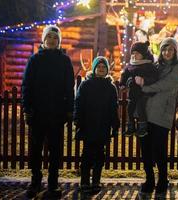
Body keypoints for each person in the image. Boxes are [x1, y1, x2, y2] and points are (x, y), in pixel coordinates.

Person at [22, 25, 75, 198]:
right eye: (49, 37)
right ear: (43, 40)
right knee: (36, 150)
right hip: (38, 113)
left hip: (57, 114)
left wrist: (69, 110)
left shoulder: (64, 61)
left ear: (58, 41)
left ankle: (53, 183)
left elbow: (69, 87)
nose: (52, 40)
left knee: (55, 150)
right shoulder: (35, 60)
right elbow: (27, 86)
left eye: (55, 37)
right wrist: (27, 109)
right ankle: (35, 182)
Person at [135, 37, 178, 195]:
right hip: (146, 112)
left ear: (175, 51)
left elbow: (167, 84)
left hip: (162, 113)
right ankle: (149, 179)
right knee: (146, 148)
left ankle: (163, 179)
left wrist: (145, 88)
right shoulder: (156, 65)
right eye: (164, 49)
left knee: (159, 149)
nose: (167, 52)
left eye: (170, 49)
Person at [74, 56, 120, 195]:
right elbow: (79, 102)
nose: (101, 69)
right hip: (89, 124)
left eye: (103, 67)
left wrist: (115, 124)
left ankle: (96, 180)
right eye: (99, 67)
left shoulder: (111, 87)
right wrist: (78, 119)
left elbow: (113, 107)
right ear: (94, 69)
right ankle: (84, 181)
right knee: (87, 154)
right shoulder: (86, 85)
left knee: (100, 155)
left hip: (103, 125)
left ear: (107, 70)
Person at [120, 41, 157, 137]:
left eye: (137, 53)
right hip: (133, 92)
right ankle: (131, 126)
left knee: (141, 108)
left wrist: (144, 81)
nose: (134, 55)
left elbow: (154, 77)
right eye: (133, 53)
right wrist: (123, 84)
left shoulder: (149, 66)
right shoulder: (130, 65)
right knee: (130, 108)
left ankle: (142, 127)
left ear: (143, 54)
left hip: (144, 92)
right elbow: (124, 75)